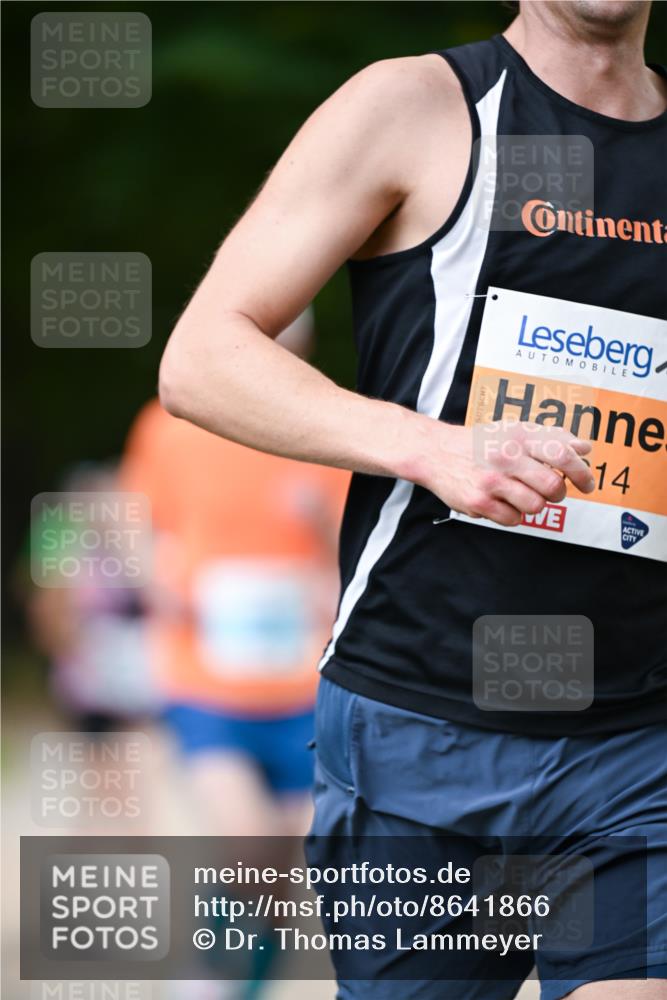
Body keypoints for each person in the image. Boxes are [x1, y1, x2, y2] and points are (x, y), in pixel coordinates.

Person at [158, 2, 667, 997]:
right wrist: (437, 448)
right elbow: (202, 358)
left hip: (635, 740)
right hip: (419, 724)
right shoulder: (413, 107)